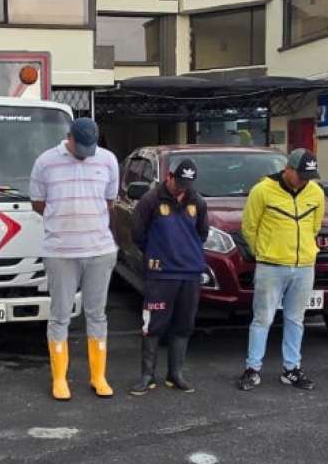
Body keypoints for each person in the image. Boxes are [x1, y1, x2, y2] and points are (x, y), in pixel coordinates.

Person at [29, 117, 120, 401]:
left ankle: (98, 376)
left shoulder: (107, 160)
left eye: (90, 147)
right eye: (80, 146)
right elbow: (38, 202)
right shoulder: (45, 161)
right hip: (60, 252)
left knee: (97, 314)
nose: (85, 152)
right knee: (59, 315)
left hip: (99, 249)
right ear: (68, 137)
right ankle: (59, 379)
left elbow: (108, 200)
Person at [238, 149, 325, 392]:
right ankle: (253, 369)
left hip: (304, 266)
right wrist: (264, 253)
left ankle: (291, 369)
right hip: (271, 266)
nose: (305, 180)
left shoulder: (315, 193)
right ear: (288, 169)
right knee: (262, 319)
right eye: (301, 175)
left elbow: (315, 227)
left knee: (295, 319)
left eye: (309, 176)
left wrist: (303, 252)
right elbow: (249, 227)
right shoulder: (262, 191)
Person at [128, 159, 209, 396]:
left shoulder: (198, 202)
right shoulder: (151, 200)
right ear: (169, 176)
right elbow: (138, 233)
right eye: (179, 182)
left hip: (190, 273)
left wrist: (187, 254)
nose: (182, 187)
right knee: (152, 326)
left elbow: (202, 234)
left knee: (183, 325)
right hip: (161, 273)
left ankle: (175, 374)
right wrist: (157, 252)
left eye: (188, 183)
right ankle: (147, 375)